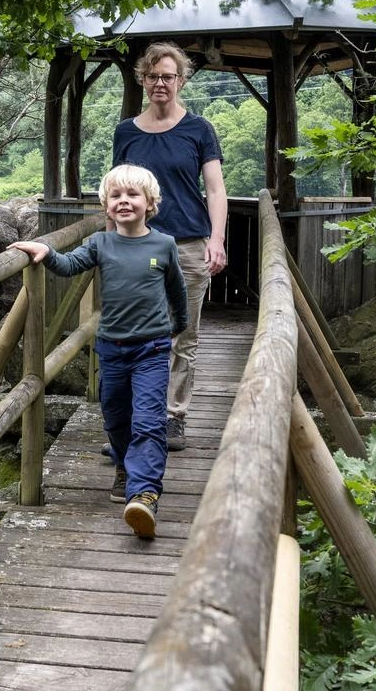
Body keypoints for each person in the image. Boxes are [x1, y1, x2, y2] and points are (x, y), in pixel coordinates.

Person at [8, 164, 186, 539]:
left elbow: (177, 290)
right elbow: (70, 265)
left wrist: (180, 324)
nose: (124, 202)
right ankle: (124, 465)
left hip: (152, 349)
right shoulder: (101, 244)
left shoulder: (164, 245)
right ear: (106, 206)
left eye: (132, 195)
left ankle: (144, 494)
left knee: (149, 421)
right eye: (116, 196)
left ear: (150, 203)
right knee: (117, 419)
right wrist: (45, 249)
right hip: (112, 349)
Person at [112, 41, 228, 454]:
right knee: (133, 333)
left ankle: (173, 416)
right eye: (153, 76)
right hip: (136, 248)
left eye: (168, 76)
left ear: (181, 81)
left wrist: (216, 239)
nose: (160, 83)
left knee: (184, 334)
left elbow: (215, 189)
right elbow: (116, 190)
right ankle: (134, 421)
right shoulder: (126, 131)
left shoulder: (199, 129)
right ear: (143, 81)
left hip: (188, 243)